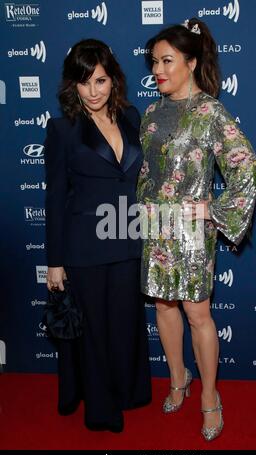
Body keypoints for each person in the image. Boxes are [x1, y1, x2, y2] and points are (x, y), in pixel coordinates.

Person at [137, 19, 256, 441]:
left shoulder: (210, 111)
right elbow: (149, 172)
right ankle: (178, 379)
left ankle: (210, 396)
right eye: (154, 61)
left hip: (191, 232)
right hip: (156, 225)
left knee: (196, 313)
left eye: (167, 61)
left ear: (190, 62)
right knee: (163, 307)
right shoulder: (152, 111)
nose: (158, 70)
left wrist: (213, 208)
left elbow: (246, 165)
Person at [45, 38, 151, 432]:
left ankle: (127, 391)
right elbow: (55, 198)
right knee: (93, 330)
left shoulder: (133, 118)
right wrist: (54, 261)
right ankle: (102, 411)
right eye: (85, 82)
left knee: (124, 323)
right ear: (73, 85)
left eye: (101, 81)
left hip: (127, 237)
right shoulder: (63, 129)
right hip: (84, 246)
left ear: (114, 82)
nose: (93, 91)